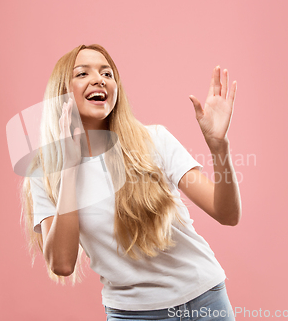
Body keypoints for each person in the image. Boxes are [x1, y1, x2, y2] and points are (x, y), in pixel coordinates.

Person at [20, 44, 241, 320]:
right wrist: (69, 167)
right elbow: (62, 263)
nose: (99, 79)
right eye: (82, 74)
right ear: (61, 93)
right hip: (131, 314)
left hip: (203, 302)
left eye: (107, 73)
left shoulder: (154, 140)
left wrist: (219, 148)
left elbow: (227, 214)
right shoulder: (44, 172)